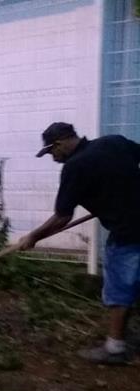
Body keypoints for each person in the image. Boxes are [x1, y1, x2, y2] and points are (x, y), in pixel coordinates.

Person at [19, 122, 140, 365]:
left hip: (129, 234)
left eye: (51, 152)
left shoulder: (75, 167)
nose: (53, 158)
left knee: (119, 290)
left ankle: (115, 348)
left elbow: (62, 217)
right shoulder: (113, 142)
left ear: (60, 143)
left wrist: (33, 237)